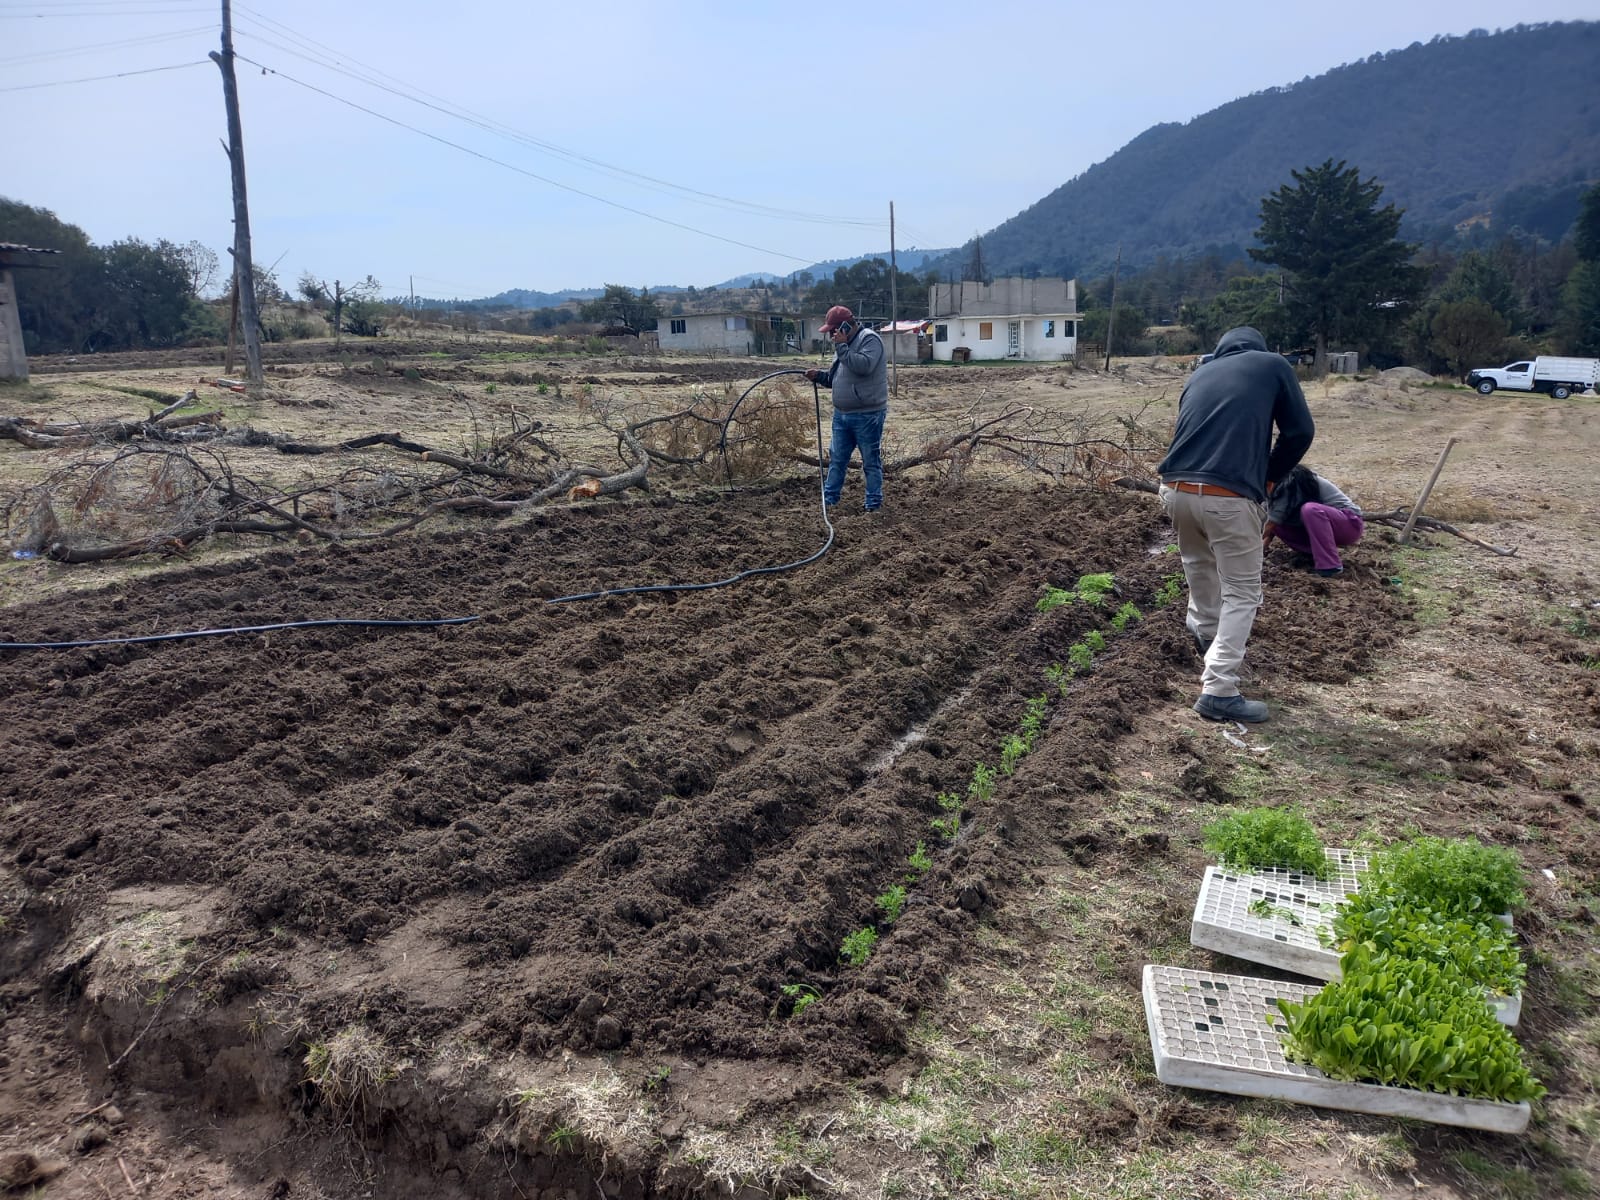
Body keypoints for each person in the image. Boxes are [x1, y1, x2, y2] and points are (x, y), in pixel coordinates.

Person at [1157, 326, 1315, 724]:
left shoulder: (1201, 373)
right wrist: (1269, 477)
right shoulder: (1273, 365)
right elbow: (1299, 432)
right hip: (1228, 497)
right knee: (1242, 592)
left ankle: (1208, 638)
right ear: (1259, 348)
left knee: (1200, 570)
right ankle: (1219, 689)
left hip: (1175, 488)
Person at [806, 305, 888, 512]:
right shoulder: (842, 345)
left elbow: (863, 366)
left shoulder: (869, 340)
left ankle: (873, 505)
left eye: (834, 330)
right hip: (841, 415)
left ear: (845, 326)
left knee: (870, 461)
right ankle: (830, 501)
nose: (832, 334)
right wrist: (820, 377)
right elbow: (837, 379)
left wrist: (842, 347)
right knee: (837, 460)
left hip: (867, 415)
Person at [1263, 465, 1363, 577]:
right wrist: (1262, 549)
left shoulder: (1289, 481)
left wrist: (1243, 548)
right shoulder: (1268, 486)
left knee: (1310, 510)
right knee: (1274, 521)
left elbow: (1271, 524)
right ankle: (1311, 554)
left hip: (1349, 525)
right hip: (1319, 527)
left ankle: (1330, 567)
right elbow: (1269, 522)